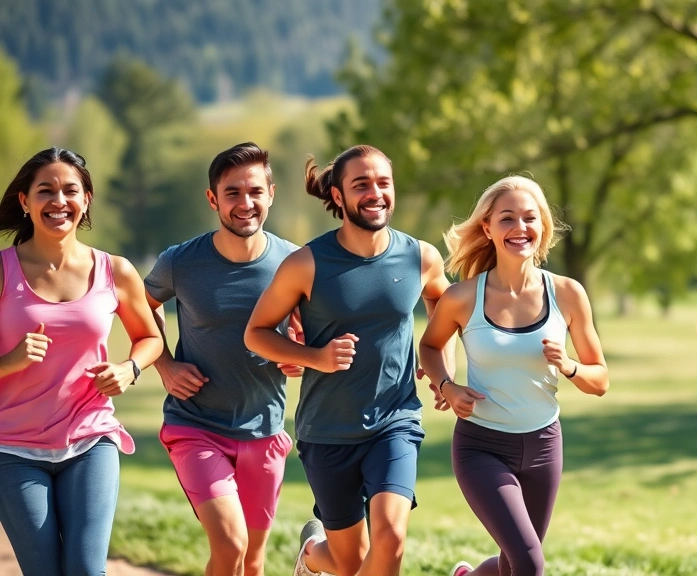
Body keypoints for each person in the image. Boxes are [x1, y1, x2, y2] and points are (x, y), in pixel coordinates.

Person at [243, 145, 453, 576]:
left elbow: (444, 309)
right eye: (361, 185)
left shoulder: (420, 256)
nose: (375, 193)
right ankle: (313, 554)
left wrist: (439, 366)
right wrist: (314, 357)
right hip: (328, 431)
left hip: (394, 420)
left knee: (391, 538)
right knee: (350, 561)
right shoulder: (306, 263)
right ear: (337, 196)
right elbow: (257, 333)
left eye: (383, 183)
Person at [418, 175, 609, 576]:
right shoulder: (462, 297)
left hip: (543, 445)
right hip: (481, 446)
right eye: (507, 219)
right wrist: (447, 387)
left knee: (513, 562)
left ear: (542, 228)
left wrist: (569, 365)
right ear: (487, 229)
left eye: (529, 218)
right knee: (528, 562)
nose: (520, 228)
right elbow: (430, 347)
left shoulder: (568, 293)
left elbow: (600, 380)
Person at [0, 148, 162, 575]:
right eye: (45, 191)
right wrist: (9, 361)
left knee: (87, 569)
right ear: (25, 201)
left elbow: (150, 338)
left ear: (86, 199)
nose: (59, 201)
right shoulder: (3, 271)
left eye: (70, 190)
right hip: (12, 447)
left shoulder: (115, 270)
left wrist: (130, 368)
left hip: (91, 437)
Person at [144, 143, 302, 576]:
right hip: (195, 426)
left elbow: (309, 333)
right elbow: (143, 303)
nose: (244, 203)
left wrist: (300, 359)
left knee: (251, 561)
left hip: (264, 428)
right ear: (213, 199)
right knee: (231, 544)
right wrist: (165, 365)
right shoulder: (180, 262)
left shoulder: (294, 262)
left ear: (271, 193)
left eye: (254, 191)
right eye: (232, 193)